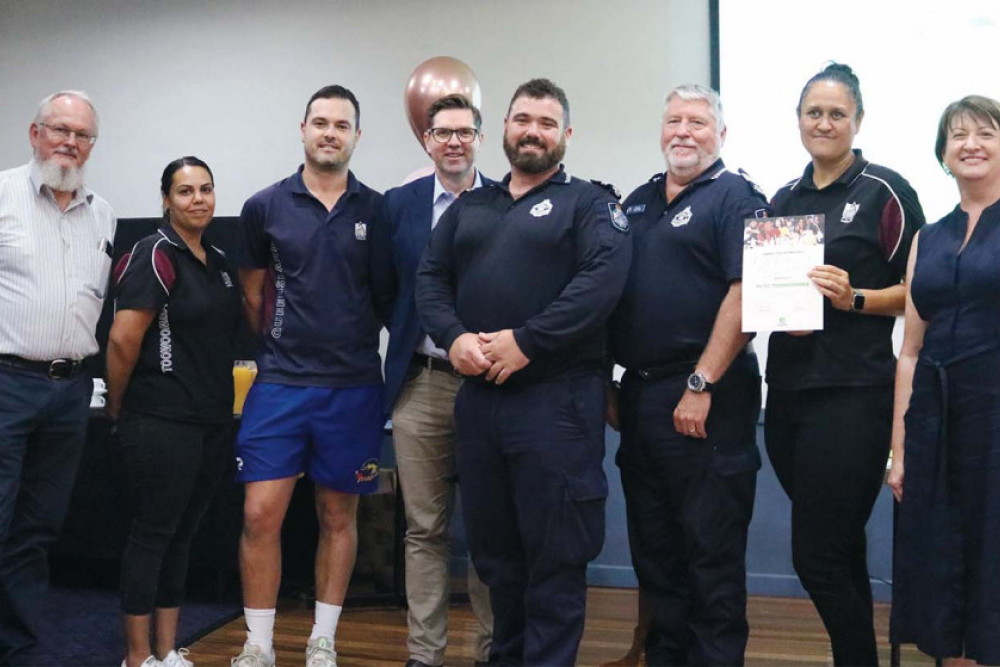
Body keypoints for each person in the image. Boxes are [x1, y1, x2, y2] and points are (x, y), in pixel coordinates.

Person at [415, 78, 632, 666]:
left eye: (545, 122)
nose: (532, 131)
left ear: (565, 134)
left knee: (554, 559)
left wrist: (527, 343)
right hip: (480, 406)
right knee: (496, 559)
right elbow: (430, 280)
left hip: (556, 404)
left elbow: (599, 287)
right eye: (522, 119)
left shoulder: (590, 205)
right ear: (504, 129)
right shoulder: (471, 206)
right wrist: (454, 337)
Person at [764, 63, 924, 666]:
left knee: (816, 556)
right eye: (814, 112)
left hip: (854, 396)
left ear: (857, 121)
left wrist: (853, 297)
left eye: (837, 113)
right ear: (799, 120)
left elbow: (921, 290)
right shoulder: (783, 199)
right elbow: (765, 294)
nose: (824, 123)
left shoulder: (885, 191)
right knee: (837, 548)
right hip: (784, 395)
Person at [607, 84, 770, 666]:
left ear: (721, 135)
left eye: (698, 122)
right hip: (643, 398)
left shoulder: (739, 198)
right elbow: (606, 294)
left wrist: (700, 384)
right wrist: (610, 381)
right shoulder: (639, 202)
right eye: (673, 120)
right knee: (657, 555)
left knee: (710, 556)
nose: (683, 131)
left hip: (708, 398)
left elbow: (748, 293)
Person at [232, 85, 392, 667]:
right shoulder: (264, 207)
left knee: (337, 515)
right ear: (302, 129)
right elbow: (252, 295)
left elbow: (385, 298)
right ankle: (258, 643)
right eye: (320, 122)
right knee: (259, 514)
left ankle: (322, 638)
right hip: (278, 384)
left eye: (341, 124)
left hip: (352, 387)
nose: (330, 132)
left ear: (356, 136)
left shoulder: (378, 210)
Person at [106, 157, 241, 667]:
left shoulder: (219, 262)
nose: (198, 199)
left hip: (209, 422)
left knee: (182, 537)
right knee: (152, 535)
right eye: (185, 191)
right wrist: (119, 406)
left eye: (206, 189)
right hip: (158, 420)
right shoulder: (154, 255)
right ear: (166, 199)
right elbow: (122, 340)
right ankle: (137, 657)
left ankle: (167, 650)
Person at [0, 90, 116, 665]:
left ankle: (16, 646)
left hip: (70, 391)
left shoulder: (103, 212)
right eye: (59, 129)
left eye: (83, 135)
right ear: (34, 132)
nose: (70, 142)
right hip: (6, 384)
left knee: (38, 530)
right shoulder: (1, 196)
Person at [380, 94, 493, 667]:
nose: (454, 142)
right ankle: (424, 655)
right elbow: (382, 288)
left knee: (490, 528)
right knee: (424, 529)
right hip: (419, 384)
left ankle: (489, 653)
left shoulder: (506, 201)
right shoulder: (397, 205)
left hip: (490, 388)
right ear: (426, 141)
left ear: (480, 137)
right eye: (443, 132)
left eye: (465, 132)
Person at [888, 95, 1000, 666]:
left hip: (995, 422)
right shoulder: (926, 239)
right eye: (958, 136)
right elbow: (909, 351)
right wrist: (899, 452)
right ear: (943, 154)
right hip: (935, 423)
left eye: (985, 133)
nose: (971, 144)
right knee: (942, 572)